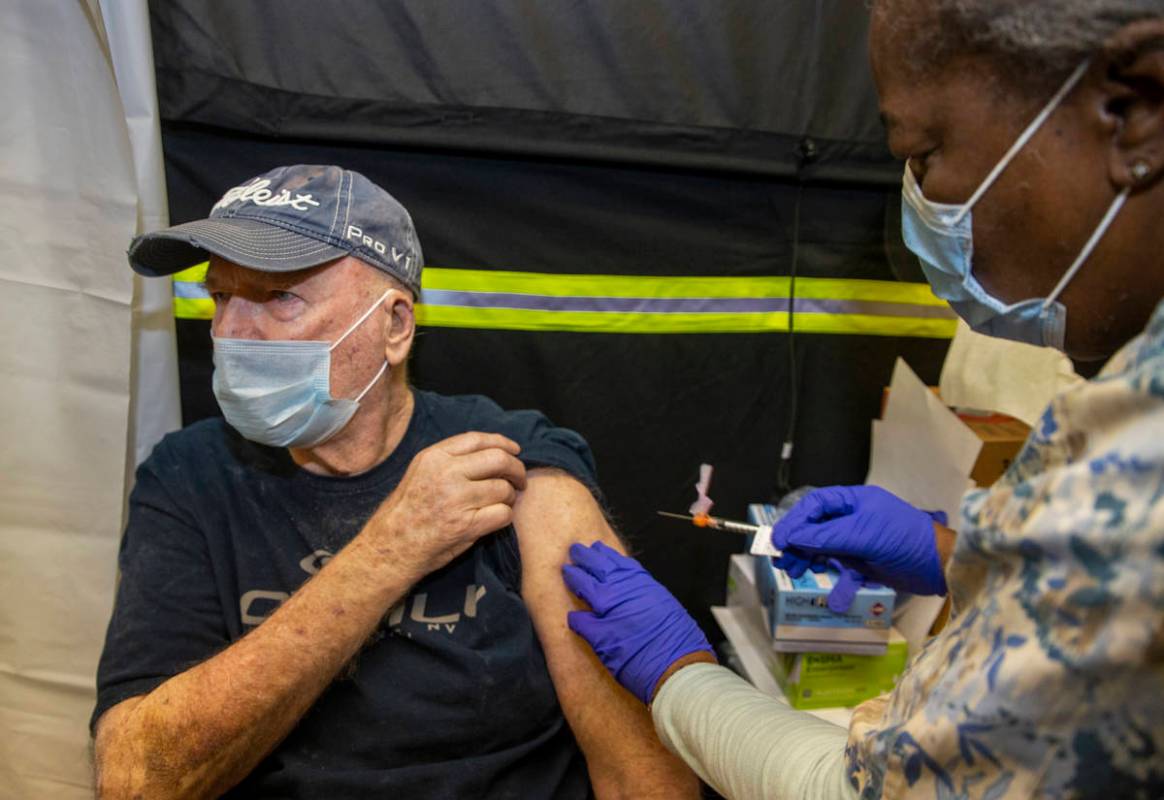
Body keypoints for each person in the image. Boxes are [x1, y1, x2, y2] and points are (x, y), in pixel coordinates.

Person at [563, 2, 1164, 798]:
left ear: (1132, 112)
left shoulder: (1141, 465)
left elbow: (863, 791)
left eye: (924, 153)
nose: (922, 209)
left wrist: (677, 676)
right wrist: (953, 554)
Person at [91, 165, 699, 799]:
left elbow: (643, 778)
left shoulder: (509, 463)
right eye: (221, 297)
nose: (233, 335)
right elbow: (137, 781)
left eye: (279, 298)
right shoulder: (189, 479)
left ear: (395, 326)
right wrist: (389, 549)